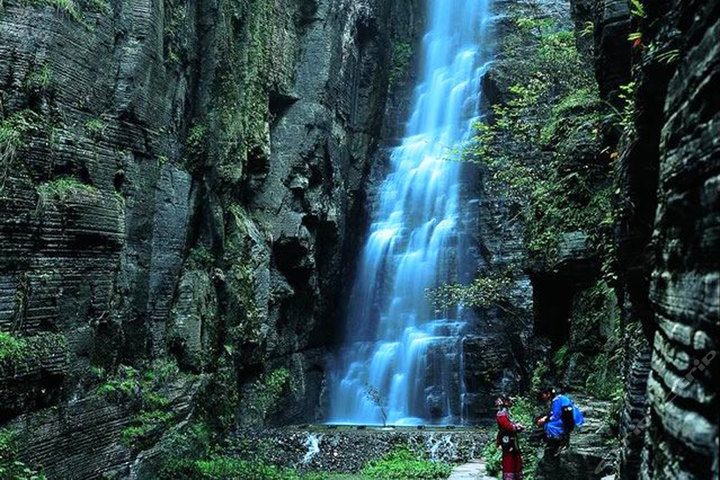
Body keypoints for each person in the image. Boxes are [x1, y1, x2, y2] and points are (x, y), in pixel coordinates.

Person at [535, 386, 584, 454]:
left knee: (548, 426)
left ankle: (558, 442)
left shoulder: (556, 401)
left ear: (548, 394)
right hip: (573, 417)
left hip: (569, 420)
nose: (542, 397)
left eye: (543, 394)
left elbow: (555, 416)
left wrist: (545, 420)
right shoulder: (560, 398)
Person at [495, 395, 524, 480]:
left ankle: (516, 476)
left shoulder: (507, 412)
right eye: (509, 401)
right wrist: (517, 427)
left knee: (515, 458)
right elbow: (507, 426)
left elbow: (510, 425)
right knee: (509, 460)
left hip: (512, 438)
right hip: (507, 439)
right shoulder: (501, 414)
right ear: (506, 402)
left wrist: (517, 426)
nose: (511, 402)